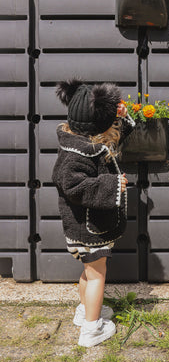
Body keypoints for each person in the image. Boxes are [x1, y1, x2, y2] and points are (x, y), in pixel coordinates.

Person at [52, 78, 135, 347]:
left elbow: (121, 133)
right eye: (111, 118)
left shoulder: (80, 140)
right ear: (99, 124)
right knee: (98, 274)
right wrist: (113, 183)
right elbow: (73, 185)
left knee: (88, 272)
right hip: (89, 230)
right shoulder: (79, 154)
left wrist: (122, 115)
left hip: (82, 229)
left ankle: (86, 311)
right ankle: (92, 330)